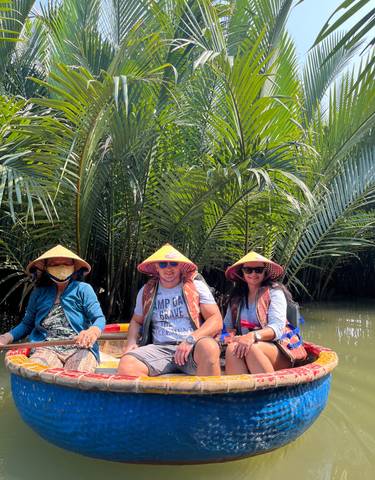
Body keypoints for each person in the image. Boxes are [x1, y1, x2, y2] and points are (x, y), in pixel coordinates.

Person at [117, 244, 222, 377]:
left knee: (209, 348)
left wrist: (191, 339)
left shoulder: (196, 286)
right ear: (156, 267)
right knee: (127, 364)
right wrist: (131, 342)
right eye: (162, 264)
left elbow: (216, 319)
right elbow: (137, 321)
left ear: (180, 266)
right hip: (159, 349)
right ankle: (157, 397)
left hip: (192, 347)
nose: (168, 268)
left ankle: (208, 397)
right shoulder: (146, 291)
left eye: (173, 263)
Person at [0, 245, 106, 372]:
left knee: (77, 376)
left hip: (80, 346)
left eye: (66, 264)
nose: (61, 267)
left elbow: (99, 318)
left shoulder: (83, 289)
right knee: (36, 372)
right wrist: (6, 337)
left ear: (73, 266)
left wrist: (93, 331)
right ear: (46, 268)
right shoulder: (38, 293)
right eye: (54, 264)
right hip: (46, 347)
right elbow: (27, 324)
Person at [223, 251, 306, 375]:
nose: (254, 274)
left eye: (258, 270)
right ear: (242, 272)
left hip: (279, 348)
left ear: (264, 272)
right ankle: (240, 393)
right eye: (248, 270)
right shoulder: (236, 298)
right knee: (232, 349)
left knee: (252, 349)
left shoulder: (274, 292)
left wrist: (251, 336)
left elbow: (277, 328)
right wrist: (233, 338)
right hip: (247, 347)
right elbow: (226, 328)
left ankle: (269, 392)